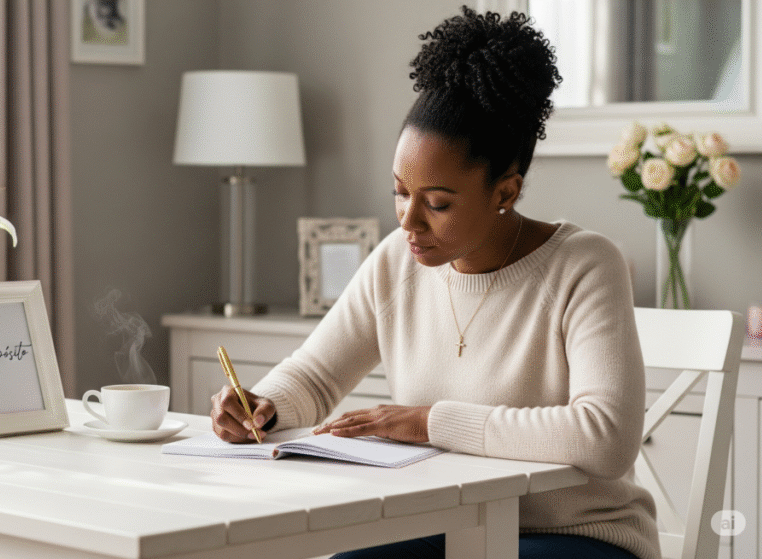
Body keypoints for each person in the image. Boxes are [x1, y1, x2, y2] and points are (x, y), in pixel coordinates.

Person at [210, 6, 659, 559]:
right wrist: (263, 407)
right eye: (401, 191)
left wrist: (429, 422)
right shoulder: (396, 261)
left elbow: (605, 437)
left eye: (438, 203)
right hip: (445, 527)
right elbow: (316, 376)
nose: (408, 221)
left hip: (577, 537)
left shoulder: (585, 266)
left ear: (505, 192)